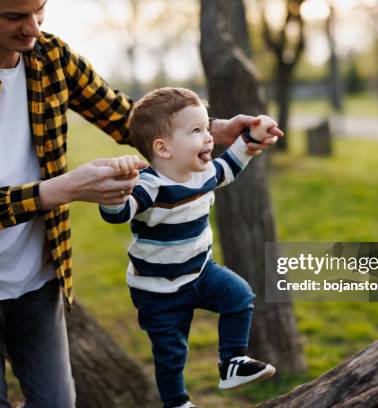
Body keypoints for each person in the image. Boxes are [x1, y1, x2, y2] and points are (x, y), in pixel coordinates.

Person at [0, 1, 282, 407]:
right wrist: (67, 188)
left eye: (40, 10)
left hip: (38, 279)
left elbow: (127, 116)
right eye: (15, 17)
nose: (32, 28)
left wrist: (212, 129)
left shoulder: (51, 57)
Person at [99, 87, 277, 408]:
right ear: (163, 148)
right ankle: (177, 403)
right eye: (197, 131)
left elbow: (230, 167)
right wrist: (113, 193)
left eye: (207, 129)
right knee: (171, 352)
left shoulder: (203, 172)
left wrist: (250, 138)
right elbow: (120, 213)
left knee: (239, 296)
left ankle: (232, 362)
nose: (209, 138)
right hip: (157, 290)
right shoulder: (150, 186)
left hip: (200, 271)